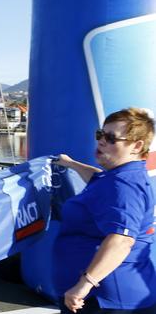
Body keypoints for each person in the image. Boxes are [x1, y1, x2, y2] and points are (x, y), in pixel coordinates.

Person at [53, 107, 156, 313]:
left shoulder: (124, 186)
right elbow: (98, 178)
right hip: (105, 296)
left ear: (136, 146)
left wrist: (85, 284)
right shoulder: (118, 177)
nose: (101, 141)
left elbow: (122, 240)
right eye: (100, 134)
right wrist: (71, 164)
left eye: (111, 138)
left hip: (106, 301)